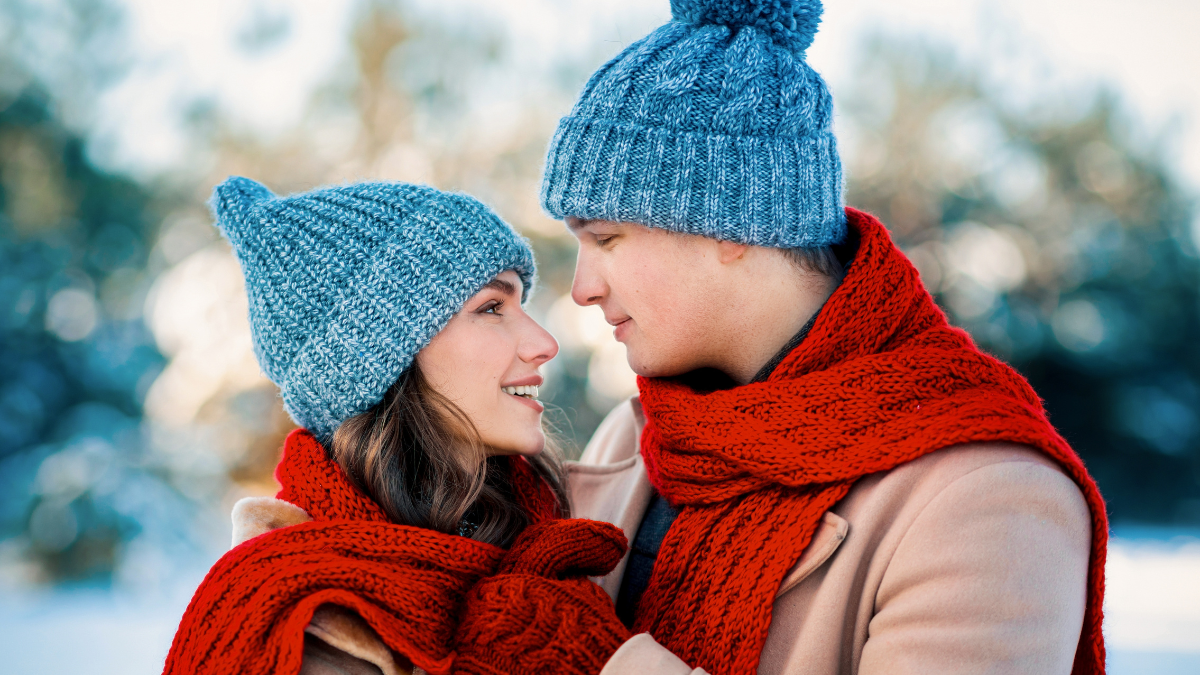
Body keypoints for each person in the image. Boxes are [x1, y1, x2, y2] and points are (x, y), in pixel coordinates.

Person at [450, 1, 1109, 674]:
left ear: (731, 225)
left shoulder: (990, 499)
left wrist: (599, 662)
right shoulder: (645, 434)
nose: (584, 286)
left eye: (607, 239)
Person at [163, 178, 628, 675]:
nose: (544, 342)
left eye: (522, 305)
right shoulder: (299, 623)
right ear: (375, 359)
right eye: (492, 307)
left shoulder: (541, 553)